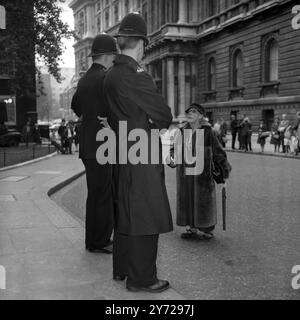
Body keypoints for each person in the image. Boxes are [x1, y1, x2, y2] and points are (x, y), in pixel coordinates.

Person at [104, 13, 173, 293]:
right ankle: (142, 278)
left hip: (122, 150)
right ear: (142, 44)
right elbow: (164, 115)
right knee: (145, 214)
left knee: (126, 212)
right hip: (141, 153)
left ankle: (122, 269)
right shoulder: (135, 76)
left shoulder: (111, 74)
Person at [71, 34, 118, 254]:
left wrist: (90, 116)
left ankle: (93, 240)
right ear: (108, 55)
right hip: (104, 143)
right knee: (104, 195)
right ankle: (100, 241)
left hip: (88, 144)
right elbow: (115, 110)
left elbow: (76, 107)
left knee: (95, 194)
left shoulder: (83, 80)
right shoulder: (106, 78)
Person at [170, 104, 229, 240]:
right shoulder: (181, 131)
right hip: (185, 175)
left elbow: (219, 153)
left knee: (203, 201)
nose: (190, 114)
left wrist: (223, 174)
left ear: (201, 116)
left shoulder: (209, 132)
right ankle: (191, 227)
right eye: (189, 112)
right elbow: (173, 150)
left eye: (194, 112)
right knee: (188, 199)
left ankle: (207, 228)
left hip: (202, 175)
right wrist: (172, 158)